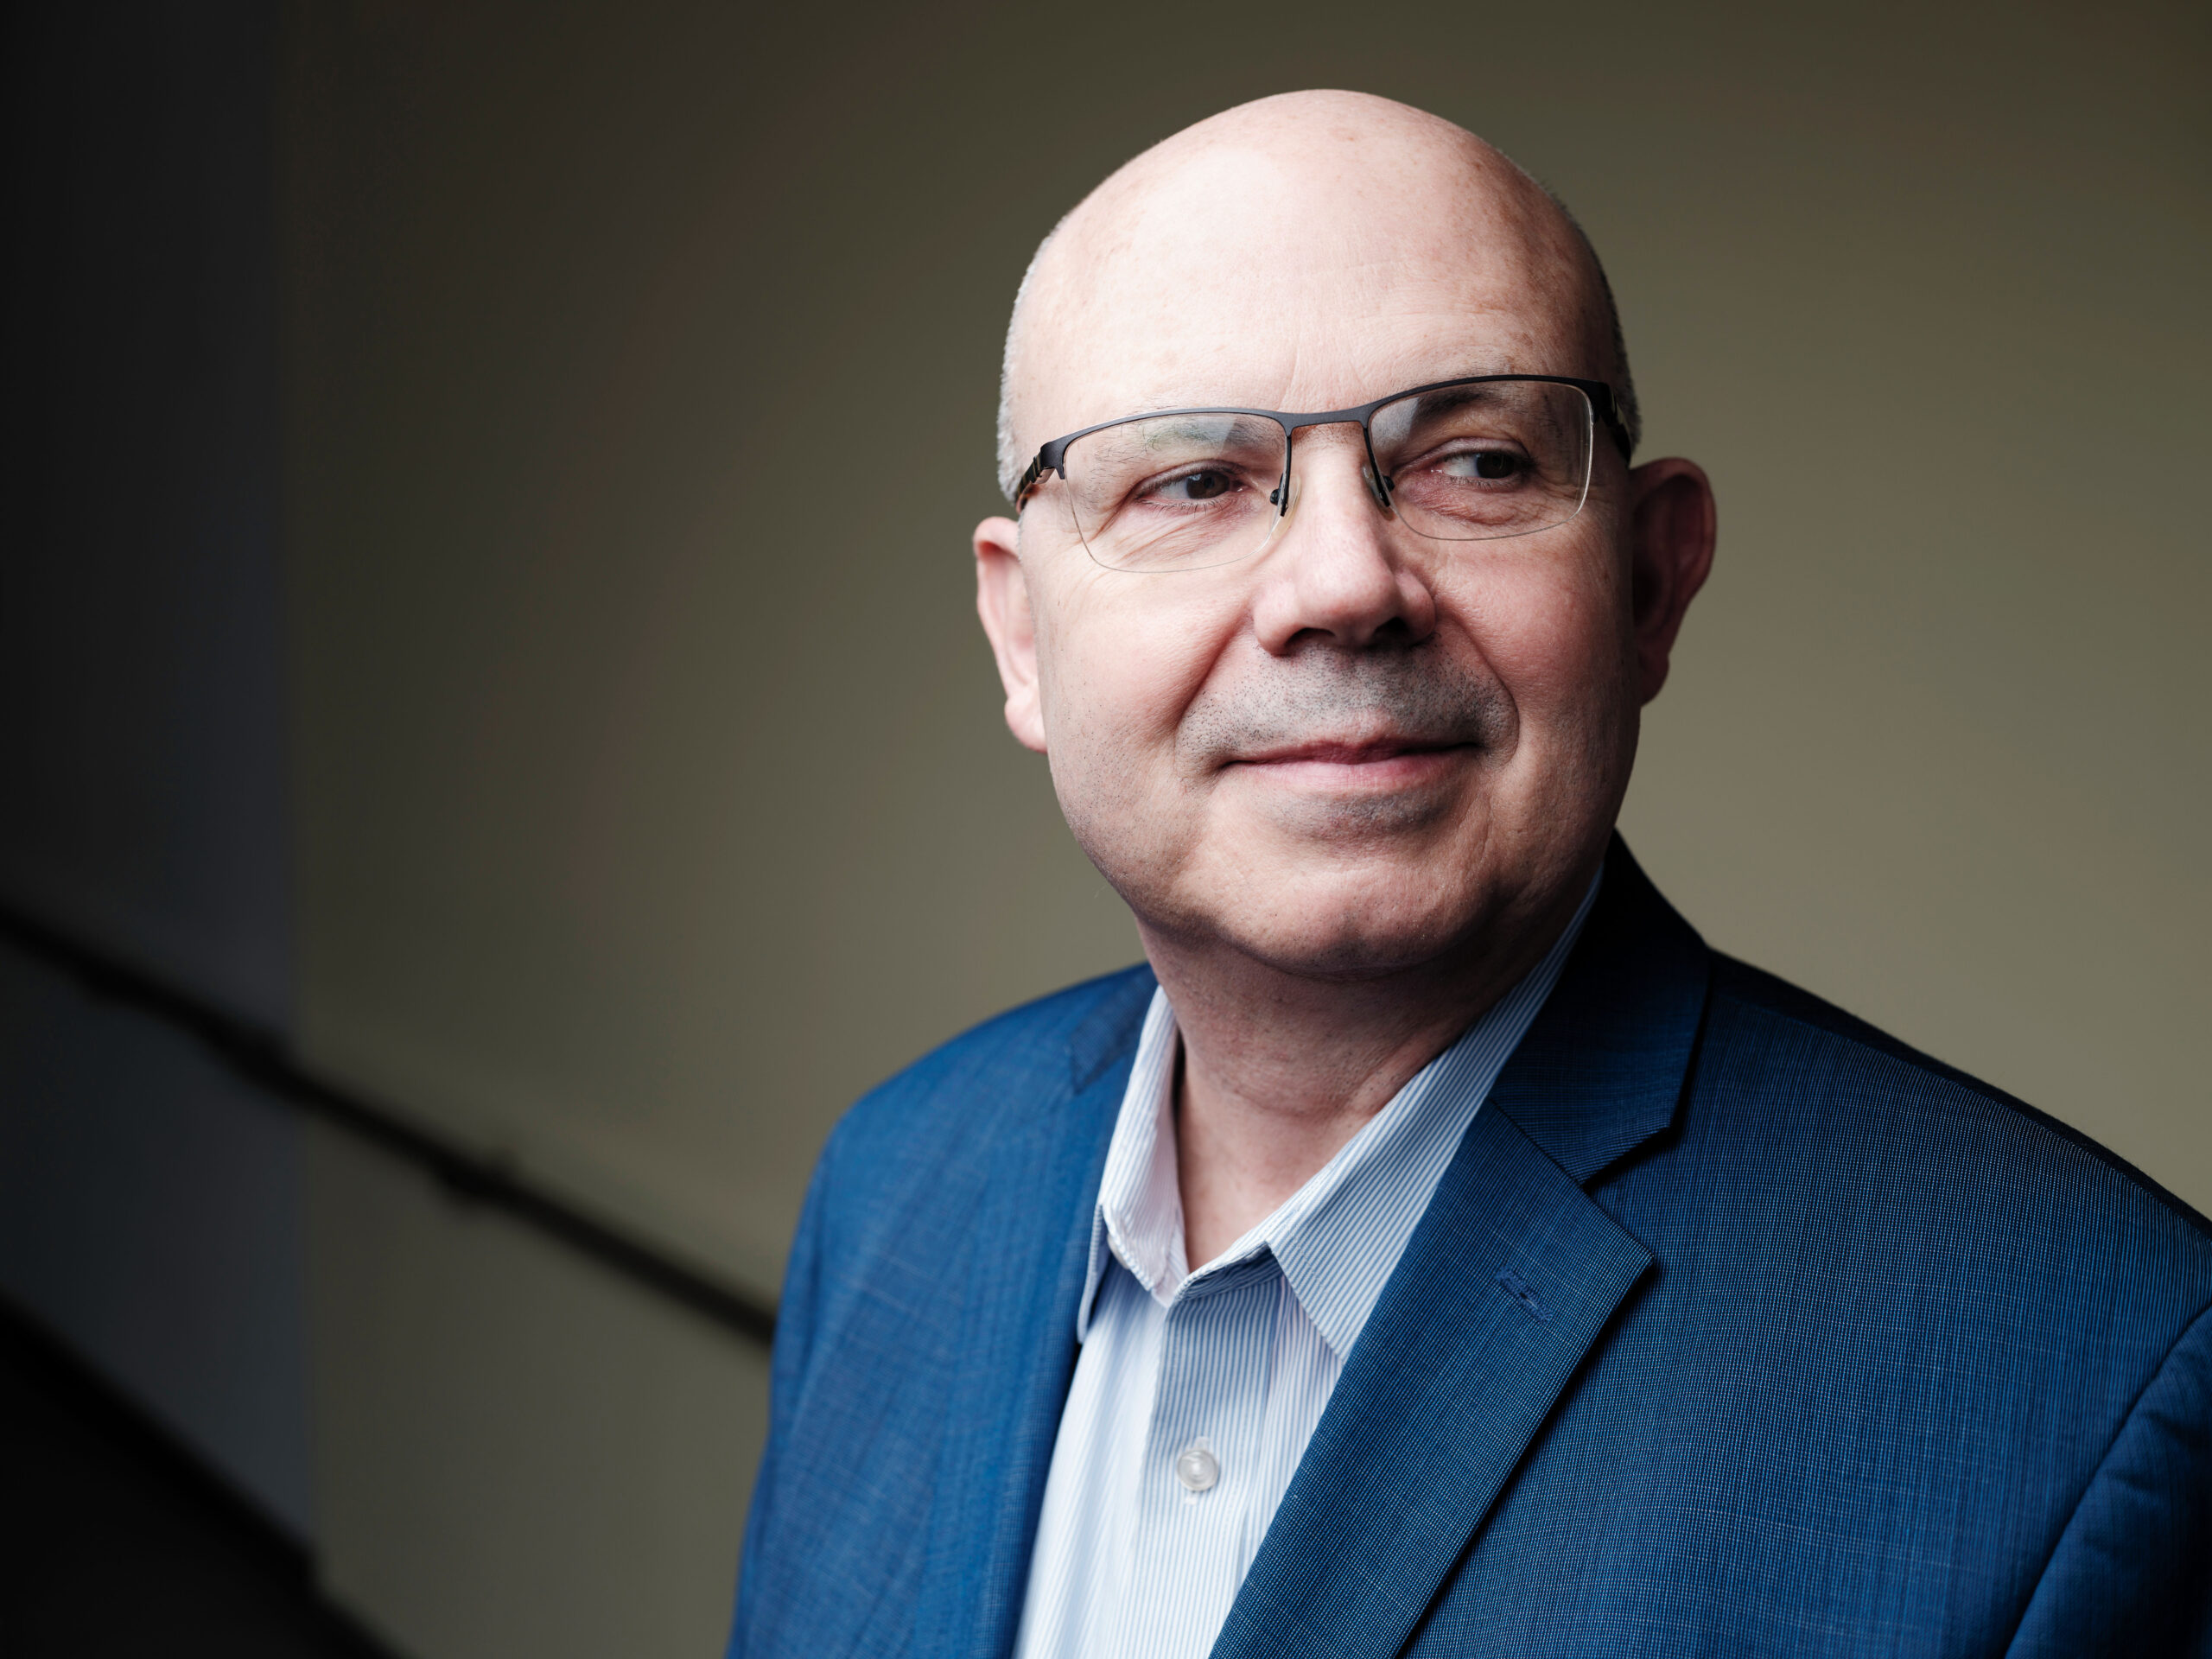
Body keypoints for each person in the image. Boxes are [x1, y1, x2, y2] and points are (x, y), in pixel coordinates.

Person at [728, 92, 2211, 1656]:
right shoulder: (900, 1188)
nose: (1343, 583)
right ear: (1024, 637)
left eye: (1478, 462)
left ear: (1651, 581)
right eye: (1193, 483)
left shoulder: (2096, 1384)